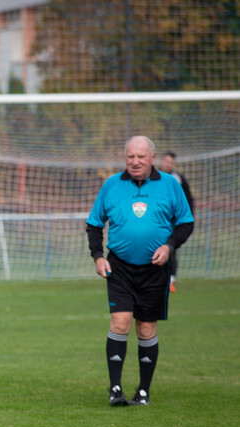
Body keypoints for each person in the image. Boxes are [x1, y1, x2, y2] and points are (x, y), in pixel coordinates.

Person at [87, 135, 193, 407]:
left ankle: (143, 392)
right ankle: (115, 389)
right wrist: (98, 257)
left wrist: (169, 246)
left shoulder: (170, 185)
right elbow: (94, 224)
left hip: (155, 270)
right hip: (119, 266)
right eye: (130, 156)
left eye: (141, 157)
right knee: (120, 322)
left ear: (152, 158)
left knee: (146, 328)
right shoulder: (111, 184)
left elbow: (185, 223)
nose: (135, 162)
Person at [157, 152, 195, 293]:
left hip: (173, 221)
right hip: (156, 220)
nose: (168, 164)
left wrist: (187, 219)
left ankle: (171, 280)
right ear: (161, 161)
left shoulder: (178, 179)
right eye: (166, 161)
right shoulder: (152, 176)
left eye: (171, 162)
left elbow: (188, 200)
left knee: (170, 249)